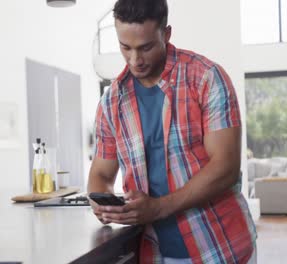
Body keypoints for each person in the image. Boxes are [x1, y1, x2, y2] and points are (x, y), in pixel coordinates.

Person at [87, 0, 257, 263]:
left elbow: (226, 167)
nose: (135, 60)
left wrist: (156, 208)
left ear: (166, 35)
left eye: (145, 47)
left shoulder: (206, 78)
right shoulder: (111, 103)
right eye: (125, 47)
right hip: (155, 253)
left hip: (220, 248)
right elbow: (100, 173)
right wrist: (104, 206)